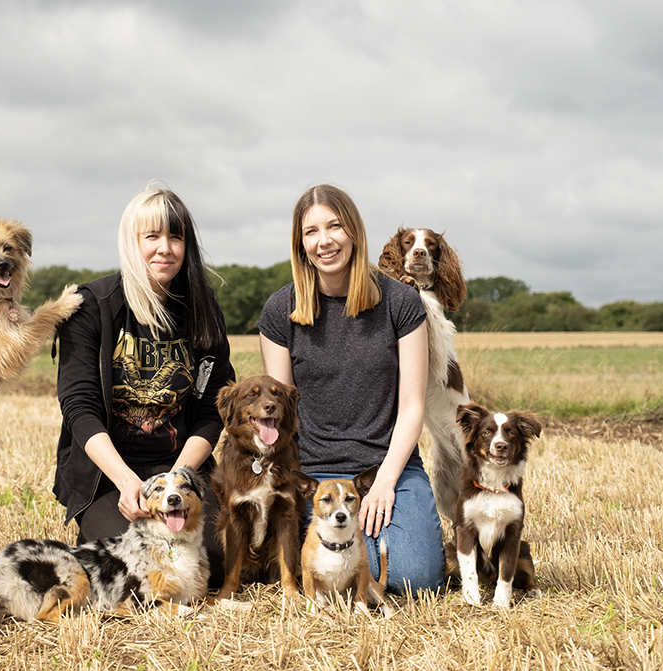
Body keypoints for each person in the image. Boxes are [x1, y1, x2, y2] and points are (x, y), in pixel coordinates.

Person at [258, 184, 444, 597]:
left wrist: (385, 482)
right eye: (311, 232)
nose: (324, 241)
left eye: (334, 227)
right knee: (314, 573)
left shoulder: (401, 303)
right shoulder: (279, 310)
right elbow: (280, 415)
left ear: (354, 232)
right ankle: (364, 550)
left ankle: (376, 546)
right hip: (312, 473)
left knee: (415, 580)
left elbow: (412, 407)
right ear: (300, 242)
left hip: (385, 467)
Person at [54, 184, 232, 585]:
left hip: (178, 465)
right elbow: (78, 407)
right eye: (152, 236)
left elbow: (211, 409)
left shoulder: (202, 308)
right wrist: (126, 481)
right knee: (132, 566)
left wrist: (177, 482)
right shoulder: (92, 308)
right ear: (131, 242)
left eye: (176, 236)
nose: (164, 248)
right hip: (111, 472)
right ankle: (94, 524)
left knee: (217, 561)